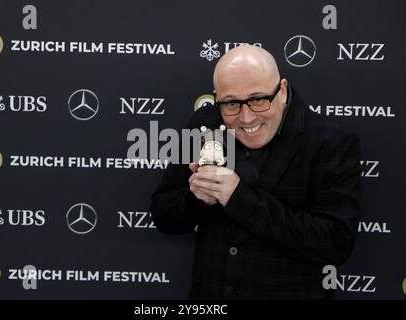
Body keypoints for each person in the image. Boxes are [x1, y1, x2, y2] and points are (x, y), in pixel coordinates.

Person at [150, 45, 361, 299]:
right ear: (217, 98)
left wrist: (237, 197)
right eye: (231, 104)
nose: (246, 117)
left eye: (258, 99)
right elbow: (164, 216)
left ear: (282, 91)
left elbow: (335, 243)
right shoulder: (205, 125)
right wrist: (195, 198)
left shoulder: (330, 142)